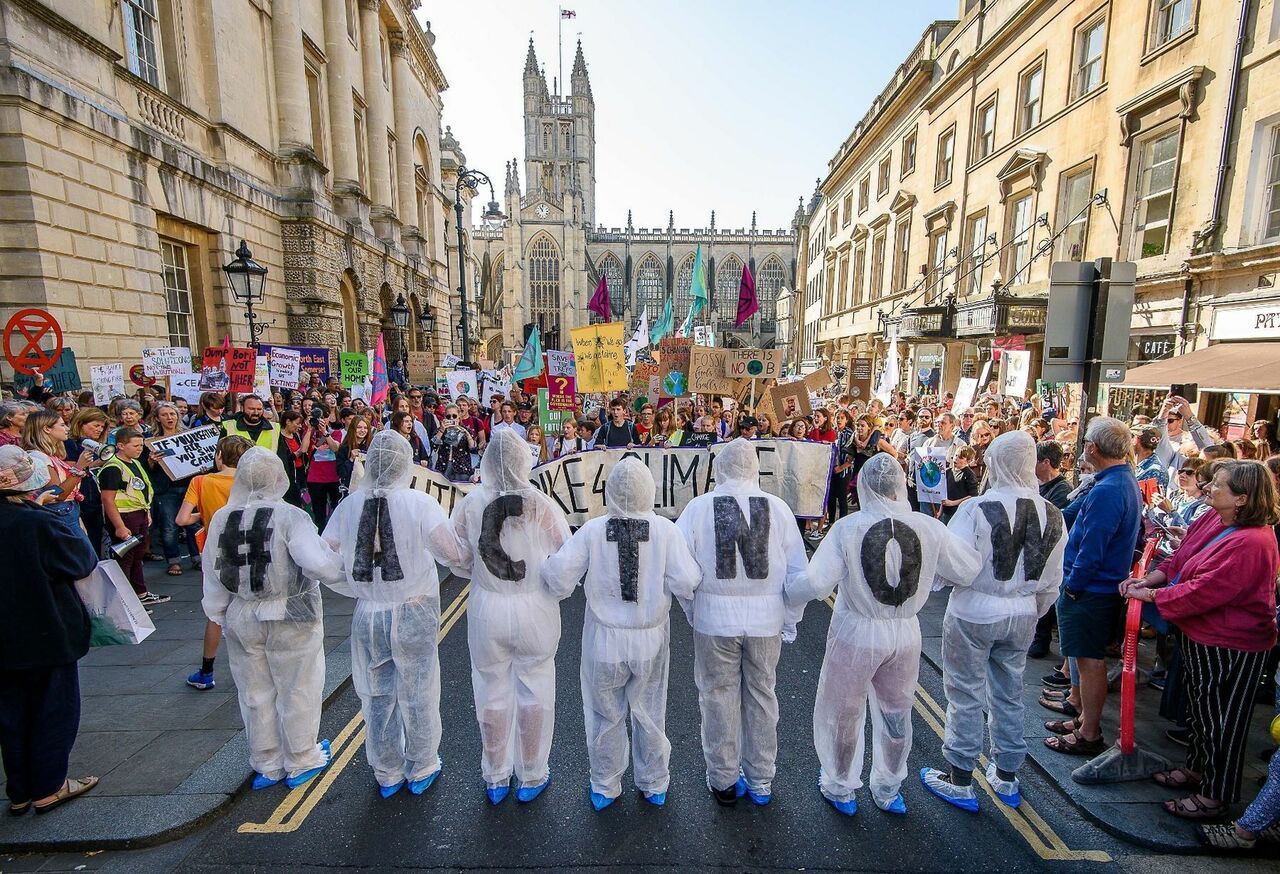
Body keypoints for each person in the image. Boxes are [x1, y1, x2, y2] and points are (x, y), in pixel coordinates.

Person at [787, 453, 979, 816]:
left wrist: (783, 594)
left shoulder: (848, 528)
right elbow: (967, 569)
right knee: (897, 712)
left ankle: (840, 785)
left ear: (862, 485)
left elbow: (814, 583)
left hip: (856, 631)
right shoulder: (928, 527)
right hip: (906, 632)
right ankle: (889, 789)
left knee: (844, 711)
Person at [1120, 460, 1279, 820]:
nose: (1208, 489)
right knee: (1200, 712)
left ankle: (1215, 793)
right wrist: (1151, 580)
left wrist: (1152, 597)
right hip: (1201, 635)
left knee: (1222, 720)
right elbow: (1182, 557)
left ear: (1241, 498)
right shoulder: (1214, 518)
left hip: (1231, 642)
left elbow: (1205, 590)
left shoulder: (1252, 541)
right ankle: (1197, 768)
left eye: (1218, 485)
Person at [543, 458, 701, 810]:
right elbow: (688, 581)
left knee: (604, 714)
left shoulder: (593, 530)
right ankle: (654, 782)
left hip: (604, 639)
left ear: (609, 490)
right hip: (649, 638)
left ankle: (604, 784)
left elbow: (558, 577)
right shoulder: (664, 530)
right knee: (650, 711)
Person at [921, 432, 1066, 811]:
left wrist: (936, 584)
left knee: (964, 692)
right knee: (1009, 691)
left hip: (974, 611)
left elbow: (953, 564)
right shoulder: (1053, 513)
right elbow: (1053, 578)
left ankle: (960, 777)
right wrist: (1034, 610)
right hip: (1022, 612)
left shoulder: (976, 508)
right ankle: (1006, 774)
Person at [429, 428, 571, 804]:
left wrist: (474, 570)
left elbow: (457, 553)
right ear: (525, 460)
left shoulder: (472, 502)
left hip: (488, 607)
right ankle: (532, 774)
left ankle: (495, 776)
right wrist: (555, 586)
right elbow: (566, 553)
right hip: (534, 605)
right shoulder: (541, 503)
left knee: (490, 689)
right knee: (536, 687)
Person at [675, 438, 809, 806]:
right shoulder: (779, 509)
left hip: (715, 620)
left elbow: (681, 571)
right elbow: (799, 575)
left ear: (720, 467)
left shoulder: (699, 508)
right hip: (766, 621)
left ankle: (722, 780)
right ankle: (761, 779)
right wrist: (790, 619)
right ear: (755, 468)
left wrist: (693, 608)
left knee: (717, 697)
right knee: (762, 695)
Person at [202, 448, 343, 791]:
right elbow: (317, 564)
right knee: (298, 687)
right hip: (290, 613)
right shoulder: (290, 516)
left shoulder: (222, 517)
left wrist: (219, 611)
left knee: (254, 691)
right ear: (279, 477)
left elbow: (213, 569)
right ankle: (301, 758)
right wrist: (343, 566)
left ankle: (267, 762)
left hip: (241, 614)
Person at [322, 431, 452, 798]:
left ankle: (386, 770)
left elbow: (325, 553)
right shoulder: (419, 503)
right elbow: (451, 552)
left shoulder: (348, 505)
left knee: (376, 694)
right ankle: (422, 763)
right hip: (414, 607)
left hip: (369, 613)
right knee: (418, 689)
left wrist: (349, 581)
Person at [0, 446, 101, 815]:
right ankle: (49, 785)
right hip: (45, 629)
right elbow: (82, 560)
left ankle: (20, 789)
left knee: (10, 712)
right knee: (53, 709)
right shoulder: (37, 522)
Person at [1045, 417, 1141, 757]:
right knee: (1085, 660)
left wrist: (1073, 585)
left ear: (1092, 448)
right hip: (1096, 587)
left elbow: (1093, 546)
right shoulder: (1118, 481)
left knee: (1089, 661)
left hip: (1091, 589)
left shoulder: (1108, 490)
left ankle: (1089, 731)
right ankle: (1083, 717)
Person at [177, 435, 253, 691]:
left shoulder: (200, 481)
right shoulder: (249, 481)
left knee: (216, 612)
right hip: (248, 547)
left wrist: (207, 512)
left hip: (216, 551)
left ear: (219, 455)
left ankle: (206, 672)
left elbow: (182, 519)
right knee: (252, 603)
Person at [98, 427, 168, 606]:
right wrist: (120, 526)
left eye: (141, 445)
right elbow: (107, 499)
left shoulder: (134, 462)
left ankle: (140, 594)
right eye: (135, 445)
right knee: (125, 559)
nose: (140, 449)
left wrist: (147, 512)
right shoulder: (113, 468)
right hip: (125, 517)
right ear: (121, 446)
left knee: (137, 556)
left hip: (139, 514)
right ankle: (125, 603)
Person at [147, 402, 201, 576]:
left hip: (188, 486)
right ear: (157, 418)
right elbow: (144, 467)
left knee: (193, 524)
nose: (169, 418)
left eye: (172, 414)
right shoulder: (150, 440)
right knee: (169, 526)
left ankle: (197, 557)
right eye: (165, 415)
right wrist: (151, 461)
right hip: (166, 490)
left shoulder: (188, 435)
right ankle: (174, 561)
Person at [434, 405, 476, 481]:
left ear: (459, 416)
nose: (451, 418)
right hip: (443, 466)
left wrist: (467, 434)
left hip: (461, 468)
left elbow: (473, 448)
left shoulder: (466, 430)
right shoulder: (440, 430)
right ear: (444, 417)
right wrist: (441, 430)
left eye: (454, 416)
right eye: (448, 416)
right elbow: (433, 446)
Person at [940, 444, 979, 523]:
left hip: (960, 513)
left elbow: (973, 496)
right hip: (946, 512)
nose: (956, 459)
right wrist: (940, 511)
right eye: (956, 455)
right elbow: (944, 493)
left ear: (968, 461)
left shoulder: (969, 475)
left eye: (960, 457)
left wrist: (953, 503)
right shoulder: (948, 472)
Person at [336, 414, 372, 490]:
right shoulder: (344, 448)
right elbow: (341, 473)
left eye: (365, 428)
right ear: (353, 428)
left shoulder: (372, 446)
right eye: (359, 427)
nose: (362, 430)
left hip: (368, 488)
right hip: (350, 489)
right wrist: (351, 459)